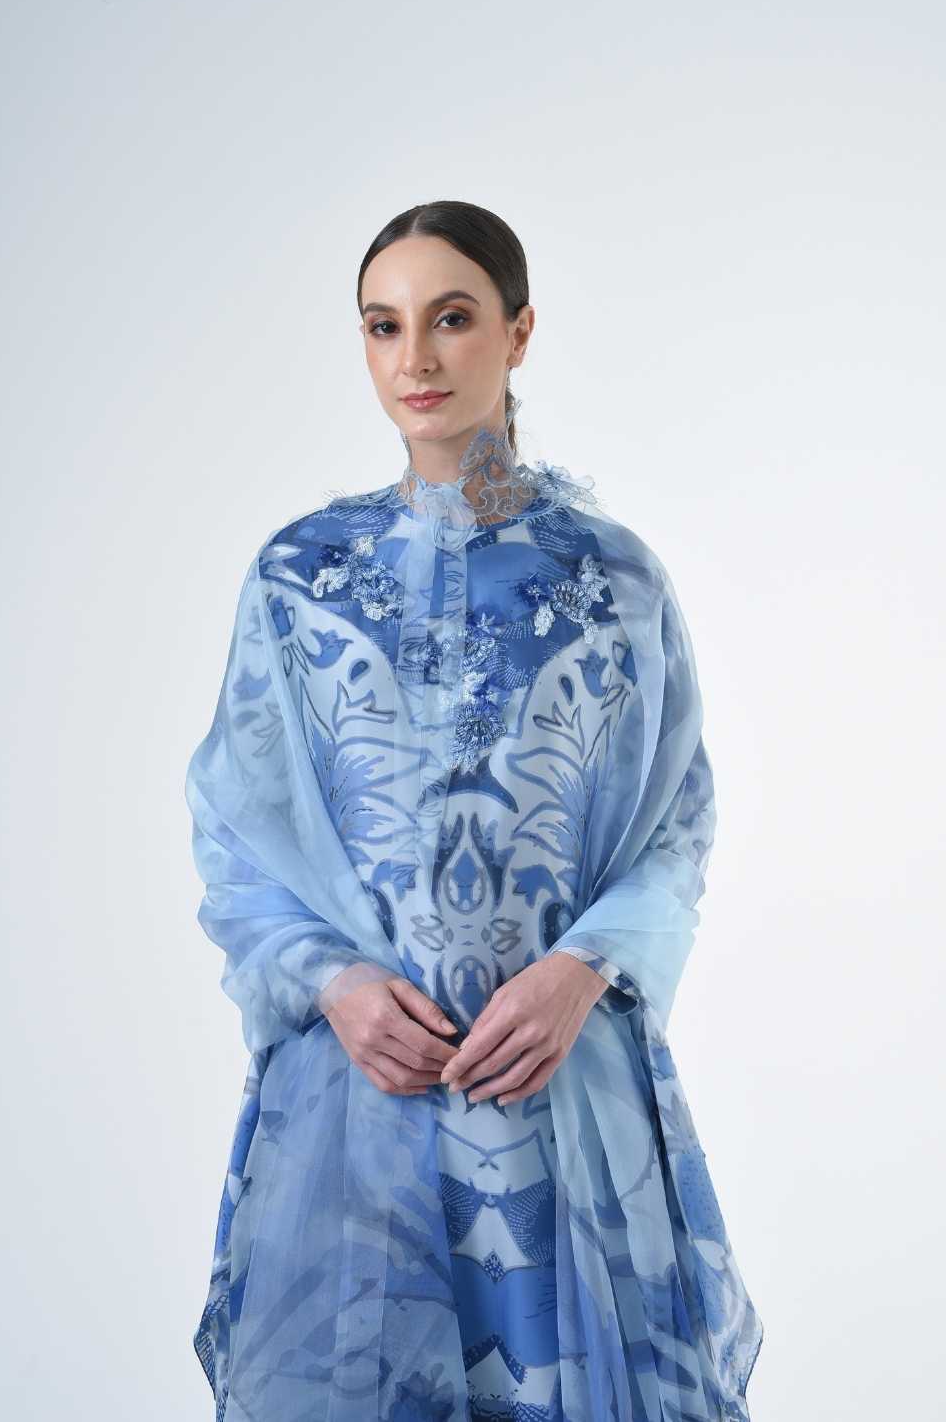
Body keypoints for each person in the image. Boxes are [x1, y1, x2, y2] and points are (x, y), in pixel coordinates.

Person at [185, 200, 763, 1421]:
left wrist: (580, 972)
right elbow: (239, 834)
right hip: (361, 1097)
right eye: (382, 326)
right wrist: (334, 984)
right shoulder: (298, 578)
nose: (416, 359)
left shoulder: (611, 578)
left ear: (518, 331)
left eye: (450, 318)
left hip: (557, 1087)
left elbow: (675, 824)